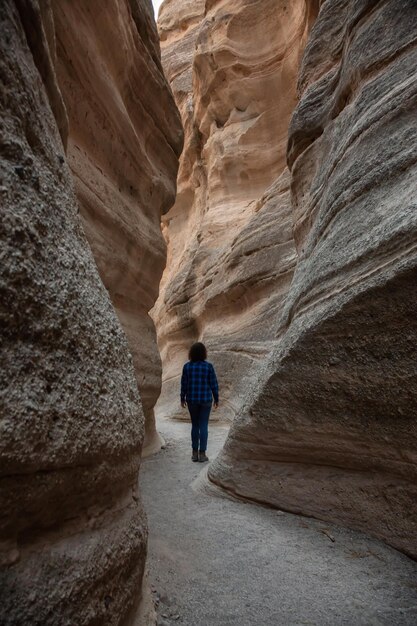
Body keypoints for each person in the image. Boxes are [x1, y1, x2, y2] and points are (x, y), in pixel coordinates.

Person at [180, 342, 219, 463]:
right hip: (206, 400)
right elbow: (214, 384)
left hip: (192, 400)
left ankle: (194, 453)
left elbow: (184, 385)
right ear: (204, 353)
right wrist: (216, 398)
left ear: (191, 353)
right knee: (203, 426)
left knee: (195, 426)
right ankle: (202, 454)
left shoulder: (187, 367)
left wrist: (182, 398)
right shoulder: (208, 367)